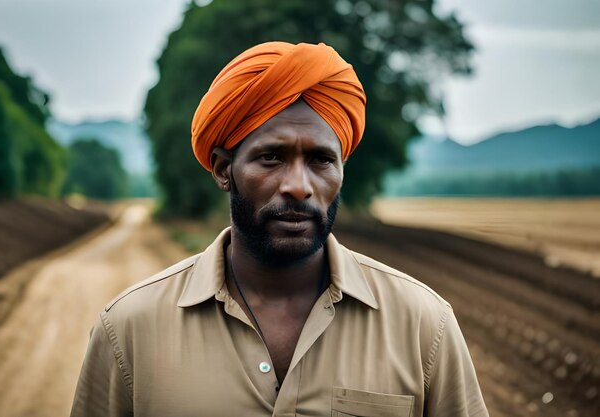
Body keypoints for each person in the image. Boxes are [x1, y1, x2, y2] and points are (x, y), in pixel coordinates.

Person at [71, 41, 488, 417]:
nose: (298, 187)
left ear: (341, 171)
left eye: (321, 160)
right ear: (222, 169)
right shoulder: (129, 329)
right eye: (271, 158)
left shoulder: (423, 326)